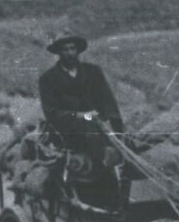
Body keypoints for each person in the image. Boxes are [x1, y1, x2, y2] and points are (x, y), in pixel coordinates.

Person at [38, 33, 126, 206]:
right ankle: (105, 191)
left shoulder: (93, 72)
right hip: (66, 130)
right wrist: (82, 116)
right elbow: (52, 113)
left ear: (78, 50)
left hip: (97, 125)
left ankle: (122, 184)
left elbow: (108, 101)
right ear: (59, 53)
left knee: (122, 144)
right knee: (94, 140)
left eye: (73, 48)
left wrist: (116, 127)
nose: (70, 53)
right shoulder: (48, 79)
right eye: (65, 49)